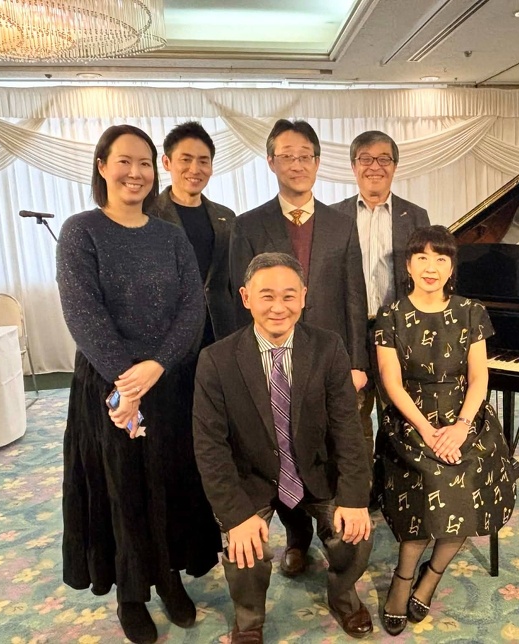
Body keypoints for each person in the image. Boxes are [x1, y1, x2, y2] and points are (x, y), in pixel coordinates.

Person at [56, 125, 221, 644]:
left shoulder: (169, 235)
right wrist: (126, 386)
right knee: (120, 487)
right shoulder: (81, 231)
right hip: (108, 388)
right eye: (124, 161)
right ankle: (130, 593)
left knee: (170, 480)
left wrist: (157, 367)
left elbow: (191, 309)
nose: (136, 172)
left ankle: (168, 576)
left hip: (168, 383)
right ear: (102, 166)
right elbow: (83, 313)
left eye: (145, 163)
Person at [193, 252, 374, 641]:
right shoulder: (216, 360)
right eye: (267, 296)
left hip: (315, 469)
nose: (279, 307)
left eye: (289, 296)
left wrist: (354, 498)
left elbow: (348, 428)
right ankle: (249, 621)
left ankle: (343, 595)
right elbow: (210, 449)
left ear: (304, 296)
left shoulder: (328, 347)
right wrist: (236, 517)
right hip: (252, 477)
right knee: (244, 550)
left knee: (357, 534)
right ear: (245, 297)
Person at [229, 118, 369, 579]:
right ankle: (296, 538)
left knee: (324, 445)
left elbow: (354, 296)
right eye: (286, 155)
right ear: (271, 162)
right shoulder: (248, 225)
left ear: (317, 162)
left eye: (305, 155)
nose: (297, 164)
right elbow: (238, 299)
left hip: (327, 361)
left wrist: (357, 363)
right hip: (272, 358)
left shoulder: (342, 224)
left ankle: (330, 530)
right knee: (279, 444)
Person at [373, 225, 519, 636]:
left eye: (441, 258)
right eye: (422, 257)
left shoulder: (471, 311)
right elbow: (391, 382)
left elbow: (479, 378)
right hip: (411, 420)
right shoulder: (390, 315)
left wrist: (460, 427)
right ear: (408, 265)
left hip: (465, 417)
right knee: (432, 480)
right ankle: (403, 579)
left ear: (452, 267)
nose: (431, 267)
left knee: (467, 479)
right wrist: (427, 431)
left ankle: (431, 575)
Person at [330, 130, 430, 462]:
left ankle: (396, 483)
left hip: (398, 334)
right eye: (366, 159)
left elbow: (425, 278)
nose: (375, 166)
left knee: (399, 418)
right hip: (350, 334)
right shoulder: (333, 217)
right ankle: (362, 485)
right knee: (352, 421)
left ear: (395, 166)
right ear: (353, 165)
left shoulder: (415, 217)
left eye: (384, 159)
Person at [149, 121, 236, 346]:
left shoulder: (226, 216)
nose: (195, 169)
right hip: (168, 333)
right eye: (186, 159)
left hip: (219, 331)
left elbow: (231, 279)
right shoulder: (147, 214)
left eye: (203, 161)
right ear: (166, 162)